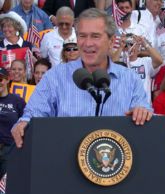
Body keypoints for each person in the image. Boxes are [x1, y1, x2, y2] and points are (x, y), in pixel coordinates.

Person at [11, 8, 152, 148]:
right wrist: (24, 123)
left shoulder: (130, 79)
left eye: (95, 36)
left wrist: (143, 112)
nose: (87, 43)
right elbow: (34, 113)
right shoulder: (55, 77)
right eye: (82, 36)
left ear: (111, 41)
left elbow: (144, 110)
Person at [0, 67, 26, 180]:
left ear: (7, 80)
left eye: (0, 79)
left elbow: (25, 123)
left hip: (9, 149)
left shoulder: (17, 101)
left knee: (6, 185)